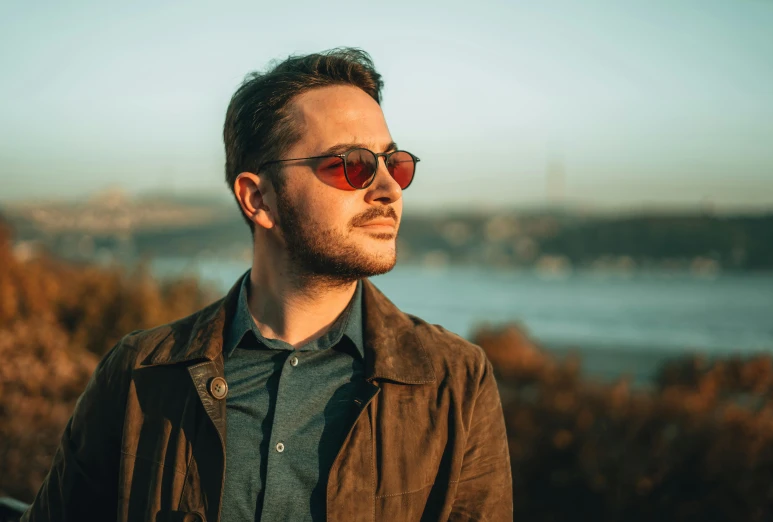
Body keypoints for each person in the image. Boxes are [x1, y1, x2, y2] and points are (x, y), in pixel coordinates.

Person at [22, 48, 512, 522]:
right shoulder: (140, 374)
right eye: (354, 164)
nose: (387, 189)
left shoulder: (454, 382)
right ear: (258, 198)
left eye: (395, 163)